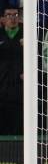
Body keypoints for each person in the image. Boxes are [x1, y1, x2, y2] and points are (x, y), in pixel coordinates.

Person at [0, 7, 22, 135]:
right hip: (1, 88)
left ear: (19, 18)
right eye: (8, 15)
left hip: (19, 90)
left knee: (18, 125)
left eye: (15, 15)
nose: (12, 18)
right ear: (2, 19)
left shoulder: (26, 35)